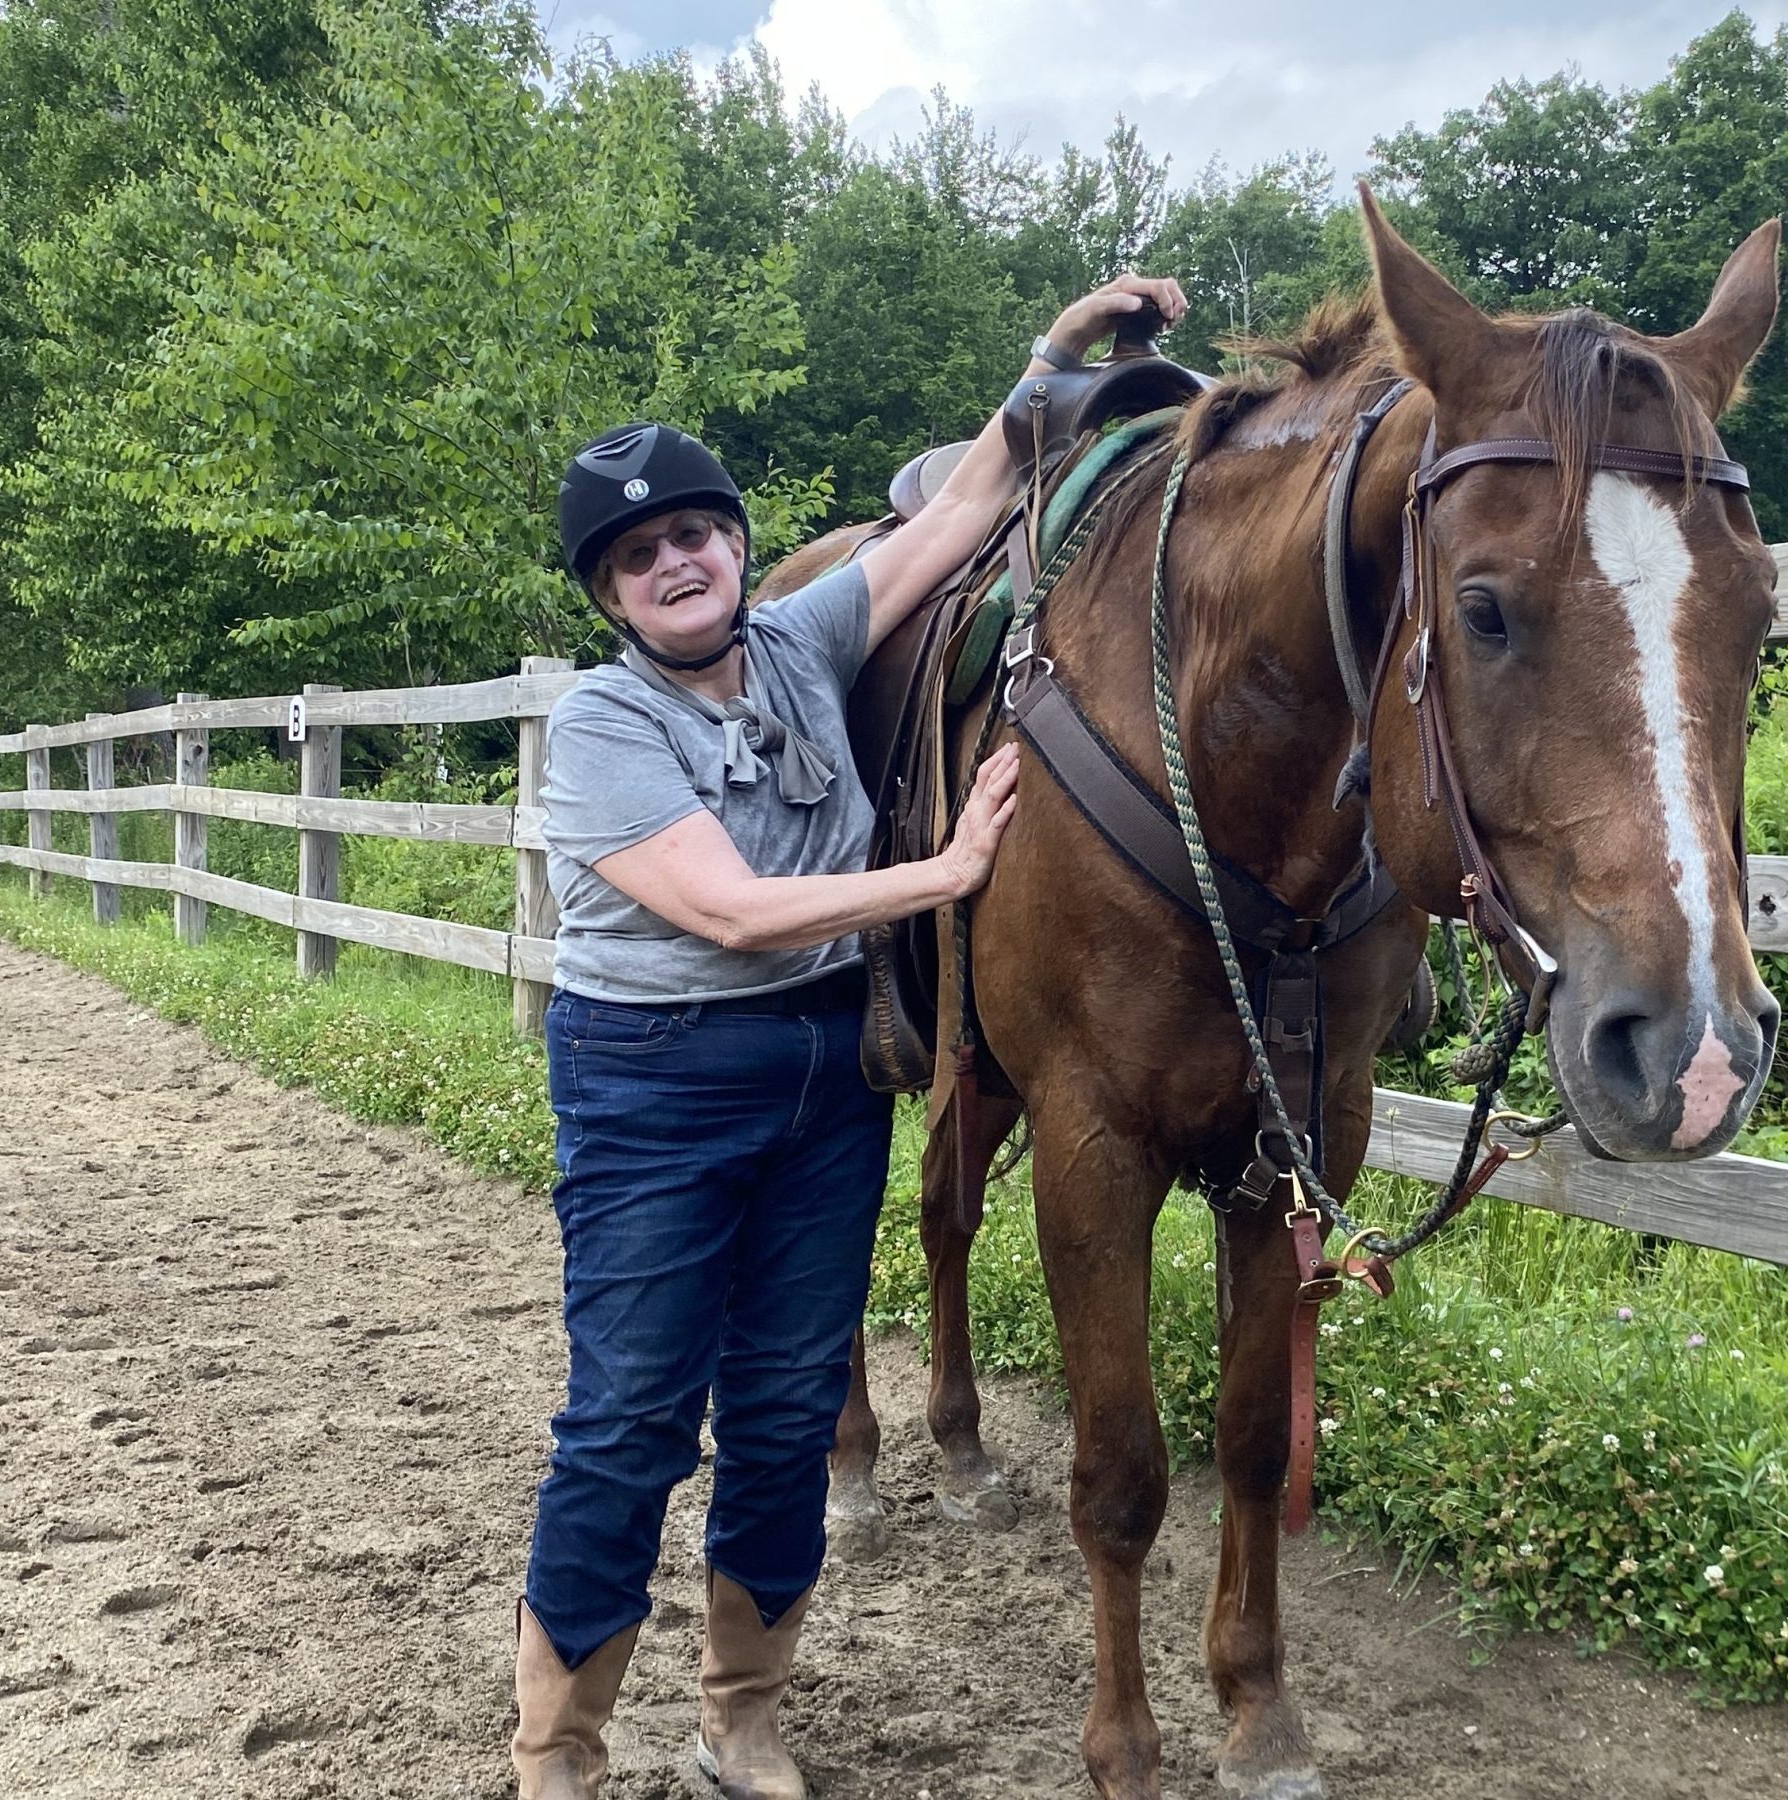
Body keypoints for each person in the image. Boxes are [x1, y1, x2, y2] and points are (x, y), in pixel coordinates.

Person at [513, 273, 1190, 1800]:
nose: (676, 561)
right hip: (656, 1085)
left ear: (735, 542)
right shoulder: (606, 728)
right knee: (628, 1417)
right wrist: (948, 876)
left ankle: (740, 1719)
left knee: (780, 1407)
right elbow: (737, 910)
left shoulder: (803, 642)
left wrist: (1056, 353)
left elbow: (959, 511)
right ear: (611, 595)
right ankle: (557, 1748)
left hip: (825, 1079)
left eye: (692, 529)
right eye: (637, 553)